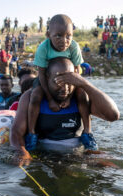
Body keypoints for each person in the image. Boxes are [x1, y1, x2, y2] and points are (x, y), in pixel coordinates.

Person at [10, 57, 120, 165]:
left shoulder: (81, 97)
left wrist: (85, 84)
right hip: (45, 155)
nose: (65, 88)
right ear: (47, 78)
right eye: (58, 82)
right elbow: (16, 132)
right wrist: (21, 152)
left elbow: (113, 115)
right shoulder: (31, 97)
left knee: (112, 168)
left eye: (69, 82)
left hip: (78, 154)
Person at [28, 14, 92, 153]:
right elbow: (42, 75)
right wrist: (50, 99)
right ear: (48, 34)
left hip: (71, 78)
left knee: (83, 94)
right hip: (48, 78)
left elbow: (76, 72)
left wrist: (69, 97)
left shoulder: (74, 46)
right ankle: (32, 133)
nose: (64, 40)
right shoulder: (43, 48)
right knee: (35, 95)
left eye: (68, 36)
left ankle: (87, 133)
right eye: (58, 36)